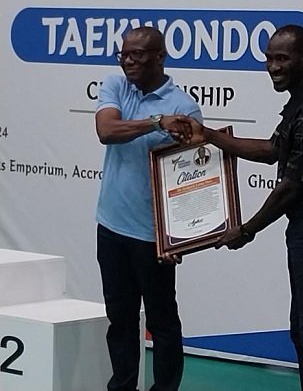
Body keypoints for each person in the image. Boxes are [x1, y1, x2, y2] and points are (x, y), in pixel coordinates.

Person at [172, 25, 303, 391]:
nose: (273, 66)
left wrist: (245, 229)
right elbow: (273, 151)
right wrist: (209, 136)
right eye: (270, 58)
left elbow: (290, 188)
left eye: (282, 58)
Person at [94, 26, 203, 391]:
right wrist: (156, 122)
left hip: (153, 238)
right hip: (111, 227)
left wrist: (179, 238)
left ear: (160, 56)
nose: (128, 61)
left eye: (137, 55)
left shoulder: (184, 107)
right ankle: (122, 385)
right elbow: (106, 131)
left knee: (163, 321)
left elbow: (189, 179)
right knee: (120, 319)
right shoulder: (115, 85)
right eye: (124, 54)